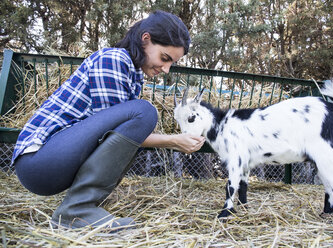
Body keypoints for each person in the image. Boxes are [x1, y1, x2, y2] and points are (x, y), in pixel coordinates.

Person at [12, 10, 205, 231]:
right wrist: (173, 141)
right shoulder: (114, 59)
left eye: (172, 63)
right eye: (164, 58)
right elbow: (114, 133)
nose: (166, 69)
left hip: (55, 161)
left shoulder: (134, 75)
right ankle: (76, 211)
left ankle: (84, 208)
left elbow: (121, 139)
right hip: (38, 160)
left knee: (139, 118)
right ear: (146, 39)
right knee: (145, 112)